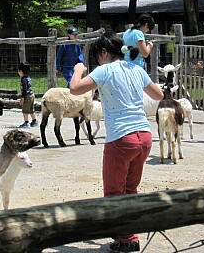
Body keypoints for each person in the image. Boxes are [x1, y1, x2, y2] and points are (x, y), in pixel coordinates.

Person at [70, 32, 163, 253]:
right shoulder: (136, 69)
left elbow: (75, 89)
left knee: (113, 193)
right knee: (131, 188)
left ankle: (125, 238)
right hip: (144, 136)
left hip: (121, 138)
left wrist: (77, 70)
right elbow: (158, 95)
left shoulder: (104, 70)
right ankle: (128, 236)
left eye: (97, 56)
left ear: (103, 53)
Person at [17, 63, 37, 128]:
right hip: (32, 95)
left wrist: (23, 98)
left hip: (27, 96)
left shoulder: (23, 79)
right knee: (31, 109)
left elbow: (24, 90)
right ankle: (34, 121)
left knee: (25, 110)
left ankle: (26, 123)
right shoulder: (28, 78)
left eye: (18, 71)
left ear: (21, 72)